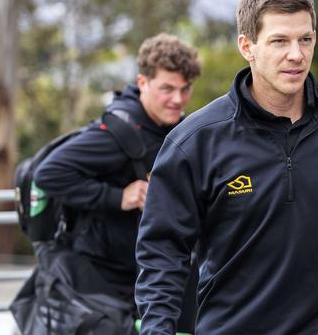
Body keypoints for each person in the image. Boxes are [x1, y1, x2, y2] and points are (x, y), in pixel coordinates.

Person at [135, 0, 318, 334]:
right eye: (279, 41)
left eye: (305, 39)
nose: (296, 54)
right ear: (247, 46)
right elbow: (163, 253)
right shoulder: (195, 141)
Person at [34, 33, 201, 333]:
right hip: (105, 283)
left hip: (153, 275)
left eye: (185, 89)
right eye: (167, 88)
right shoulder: (114, 134)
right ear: (142, 83)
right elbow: (48, 173)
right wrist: (117, 197)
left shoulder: (172, 126)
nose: (178, 99)